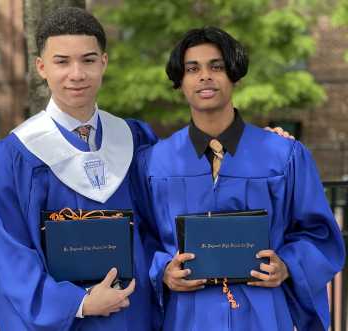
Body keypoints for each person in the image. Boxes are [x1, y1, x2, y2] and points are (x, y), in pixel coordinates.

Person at [132, 27, 345, 331]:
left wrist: (287, 266)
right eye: (192, 69)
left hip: (263, 312)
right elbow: (140, 237)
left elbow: (318, 233)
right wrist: (162, 270)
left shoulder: (284, 156)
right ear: (180, 82)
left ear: (235, 75)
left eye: (216, 66)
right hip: (186, 315)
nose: (204, 76)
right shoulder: (154, 162)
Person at [0, 7, 158, 331]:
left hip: (134, 314)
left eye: (88, 60)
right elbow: (9, 255)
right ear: (41, 67)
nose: (76, 74)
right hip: (65, 319)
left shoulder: (136, 140)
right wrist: (78, 303)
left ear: (103, 62)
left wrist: (262, 143)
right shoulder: (14, 157)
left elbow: (171, 212)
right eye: (62, 61)